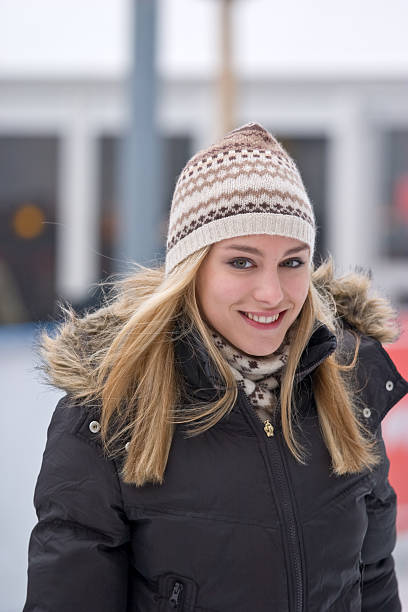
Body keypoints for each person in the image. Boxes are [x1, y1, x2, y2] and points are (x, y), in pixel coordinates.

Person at [24, 123, 408, 612]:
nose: (272, 293)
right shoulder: (109, 414)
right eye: (242, 263)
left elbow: (371, 582)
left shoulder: (348, 389)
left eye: (292, 262)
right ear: (192, 268)